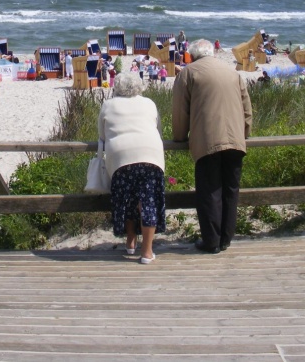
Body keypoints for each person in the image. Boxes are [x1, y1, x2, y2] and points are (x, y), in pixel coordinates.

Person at [172, 39, 252, 254]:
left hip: (207, 140)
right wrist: (244, 135)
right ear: (213, 53)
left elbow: (180, 112)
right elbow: (247, 110)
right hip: (235, 140)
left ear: (192, 55)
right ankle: (226, 239)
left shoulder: (188, 73)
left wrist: (179, 138)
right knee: (230, 190)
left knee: (209, 191)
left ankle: (211, 241)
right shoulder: (232, 73)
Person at [98, 73, 165, 264]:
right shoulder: (149, 103)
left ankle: (130, 242)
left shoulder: (108, 105)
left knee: (126, 199)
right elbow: (158, 129)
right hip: (150, 155)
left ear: (117, 87)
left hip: (120, 157)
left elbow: (101, 133)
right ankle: (147, 252)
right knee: (148, 201)